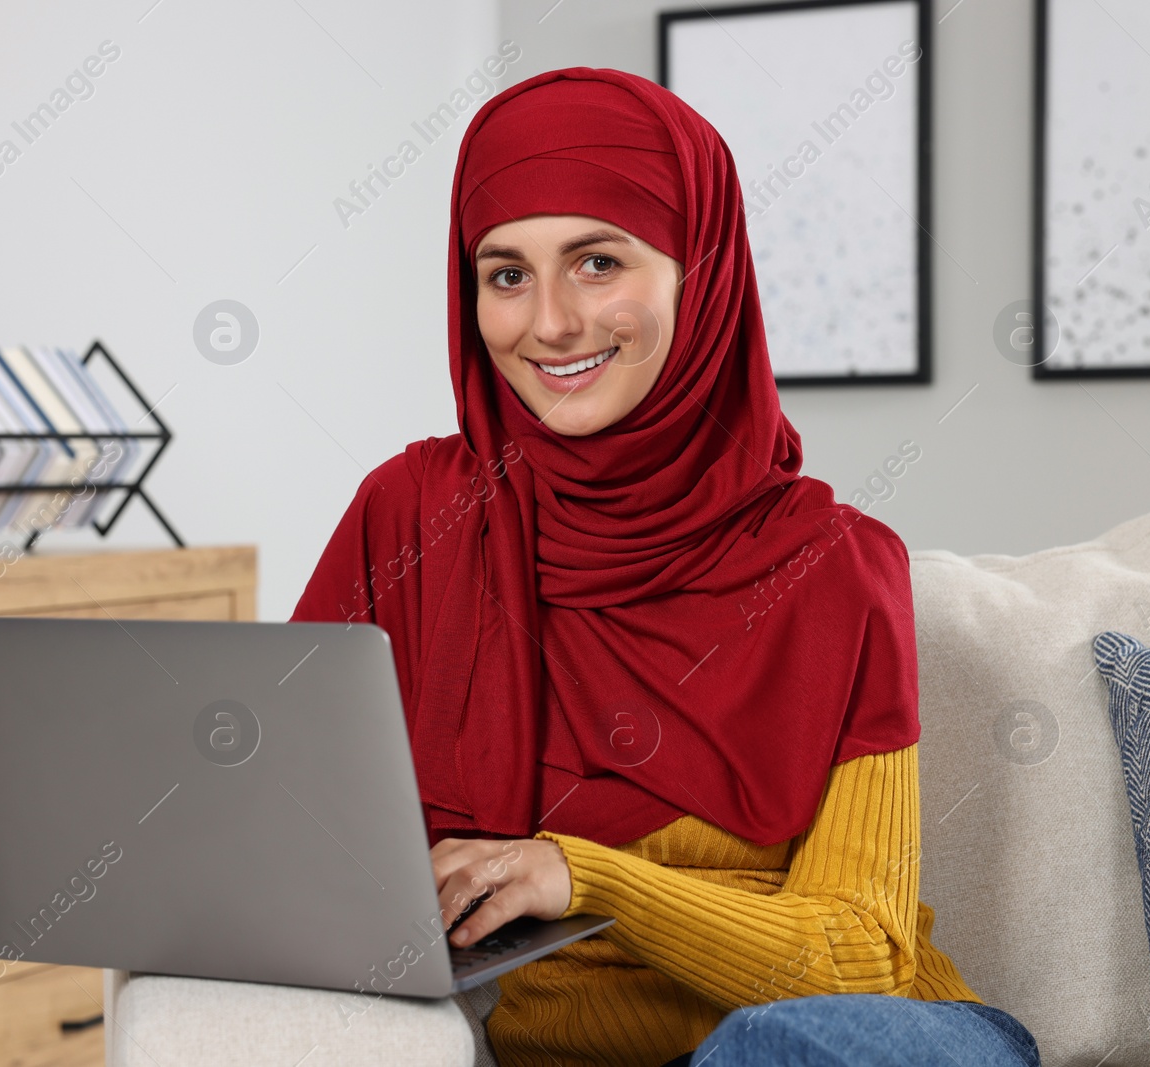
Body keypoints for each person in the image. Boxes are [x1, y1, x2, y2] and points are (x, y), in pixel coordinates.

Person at [290, 67, 1040, 1067]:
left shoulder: (834, 567)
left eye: (597, 263)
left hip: (864, 1042)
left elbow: (861, 953)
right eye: (506, 274)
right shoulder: (413, 520)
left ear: (702, 266)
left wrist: (585, 877)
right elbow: (283, 845)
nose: (550, 322)